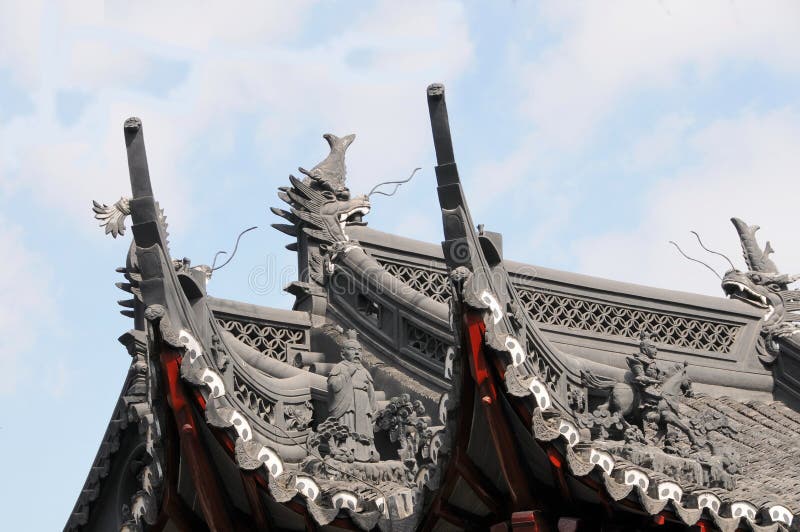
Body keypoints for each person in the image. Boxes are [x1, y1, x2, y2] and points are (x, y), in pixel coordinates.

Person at [327, 330, 379, 462]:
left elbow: (371, 393)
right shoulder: (340, 367)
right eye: (352, 349)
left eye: (359, 350)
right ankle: (345, 447)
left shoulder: (365, 371)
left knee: (365, 429)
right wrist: (348, 374)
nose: (357, 353)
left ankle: (368, 451)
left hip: (363, 405)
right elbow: (333, 386)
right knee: (347, 425)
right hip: (348, 404)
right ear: (342, 353)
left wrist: (374, 409)